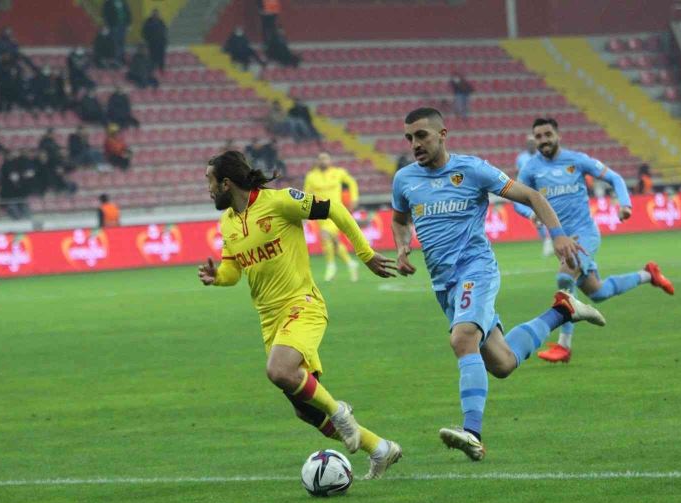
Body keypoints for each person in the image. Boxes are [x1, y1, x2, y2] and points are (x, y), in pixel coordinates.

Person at [391, 108, 607, 461]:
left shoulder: (473, 169)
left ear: (442, 134)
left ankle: (472, 433)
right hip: (444, 285)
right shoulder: (404, 180)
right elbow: (400, 220)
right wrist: (402, 247)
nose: (414, 144)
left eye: (422, 135)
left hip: (476, 271)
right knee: (502, 363)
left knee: (462, 339)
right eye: (409, 138)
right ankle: (563, 311)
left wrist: (558, 235)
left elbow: (533, 196)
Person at [197, 150, 402, 479]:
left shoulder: (279, 202)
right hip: (269, 320)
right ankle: (380, 448)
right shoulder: (228, 222)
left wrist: (365, 254)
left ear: (225, 183)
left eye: (209, 181)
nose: (207, 189)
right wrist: (217, 276)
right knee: (307, 411)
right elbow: (233, 271)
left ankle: (340, 412)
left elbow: (334, 208)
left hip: (301, 304)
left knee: (279, 371)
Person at [515, 117, 674, 364]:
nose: (543, 140)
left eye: (548, 134)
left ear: (558, 136)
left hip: (584, 234)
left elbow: (616, 178)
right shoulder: (531, 168)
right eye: (538, 136)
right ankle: (648, 275)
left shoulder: (577, 160)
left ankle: (564, 345)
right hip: (561, 238)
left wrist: (625, 205)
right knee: (598, 292)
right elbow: (516, 199)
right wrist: (530, 213)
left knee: (564, 277)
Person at [304, 152, 361, 282]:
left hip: (335, 211)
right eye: (320, 159)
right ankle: (351, 263)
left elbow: (352, 182)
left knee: (325, 235)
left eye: (325, 158)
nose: (323, 161)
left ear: (330, 160)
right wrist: (305, 211)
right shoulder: (311, 176)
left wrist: (354, 198)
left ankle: (331, 266)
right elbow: (306, 194)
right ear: (317, 161)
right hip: (319, 213)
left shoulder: (338, 172)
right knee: (333, 242)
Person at [516, 135, 553, 257]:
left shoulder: (542, 156)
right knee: (535, 215)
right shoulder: (521, 158)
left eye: (533, 143)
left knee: (547, 212)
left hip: (541, 188)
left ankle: (553, 238)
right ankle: (546, 241)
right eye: (529, 143)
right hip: (527, 189)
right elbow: (518, 173)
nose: (531, 145)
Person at [102, 0, 131, 64]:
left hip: (123, 25)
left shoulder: (123, 2)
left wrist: (129, 24)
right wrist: (107, 24)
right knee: (114, 42)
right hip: (113, 25)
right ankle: (115, 59)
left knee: (122, 42)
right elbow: (105, 14)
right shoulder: (108, 2)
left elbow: (128, 12)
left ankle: (121, 58)